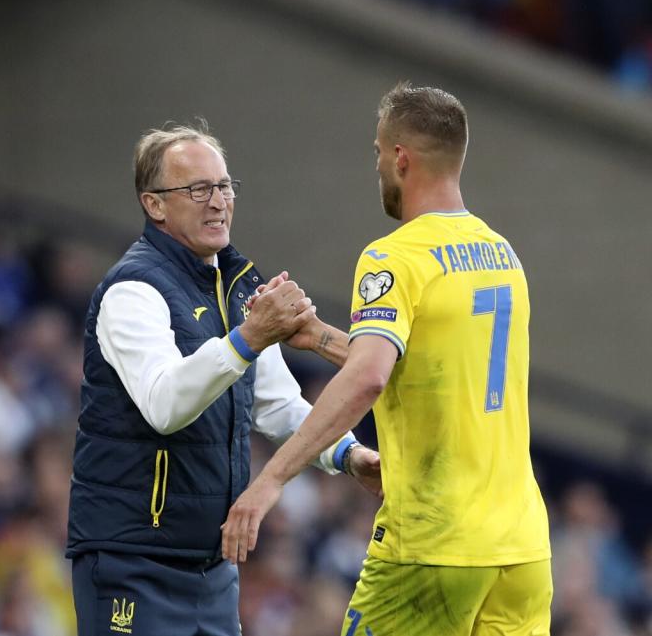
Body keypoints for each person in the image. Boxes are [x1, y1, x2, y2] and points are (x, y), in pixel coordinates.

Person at [221, 83, 552, 635]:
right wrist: (321, 337)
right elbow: (425, 367)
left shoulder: (395, 255)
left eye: (377, 151)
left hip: (432, 545)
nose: (376, 165)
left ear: (400, 157)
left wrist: (271, 480)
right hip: (521, 551)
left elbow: (370, 378)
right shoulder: (502, 254)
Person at [66, 123, 382, 636]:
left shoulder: (236, 288)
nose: (218, 202)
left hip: (212, 568)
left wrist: (348, 456)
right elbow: (164, 404)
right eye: (197, 189)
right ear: (154, 205)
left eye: (224, 186)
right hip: (133, 560)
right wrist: (249, 338)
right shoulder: (132, 290)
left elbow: (278, 405)